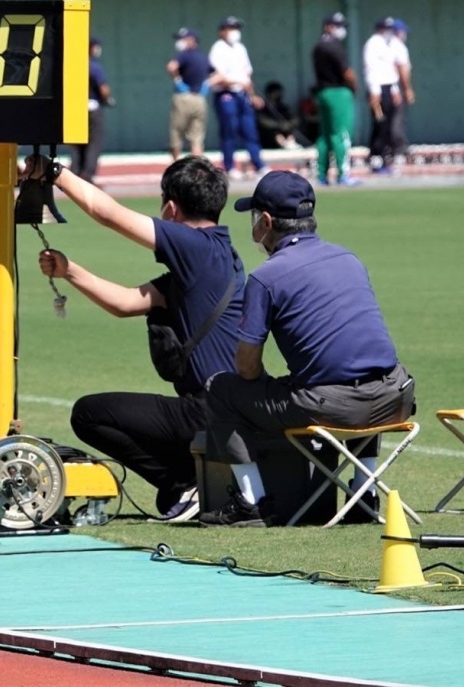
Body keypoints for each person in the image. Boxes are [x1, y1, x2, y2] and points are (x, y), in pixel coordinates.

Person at [33, 156, 244, 524]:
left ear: (171, 207)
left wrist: (53, 173)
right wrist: (70, 271)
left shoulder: (193, 246)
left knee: (89, 414)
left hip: (207, 408)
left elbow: (107, 212)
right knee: (103, 412)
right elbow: (128, 303)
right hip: (226, 405)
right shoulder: (219, 256)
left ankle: (183, 484)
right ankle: (189, 481)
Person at [201, 171, 415, 527]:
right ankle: (364, 493)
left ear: (266, 221)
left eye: (255, 218)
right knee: (363, 371)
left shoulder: (266, 278)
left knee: (220, 390)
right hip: (396, 398)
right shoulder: (348, 258)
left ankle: (252, 502)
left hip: (334, 407)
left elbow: (247, 367)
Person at [207, 16, 266, 181]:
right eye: (230, 28)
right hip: (226, 94)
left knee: (249, 130)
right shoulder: (218, 49)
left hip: (242, 94)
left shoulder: (240, 48)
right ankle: (230, 166)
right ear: (222, 31)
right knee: (229, 130)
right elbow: (219, 77)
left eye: (236, 28)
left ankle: (259, 164)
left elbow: (247, 74)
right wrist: (238, 81)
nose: (234, 32)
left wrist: (252, 95)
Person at [310, 12, 358, 185]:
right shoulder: (334, 47)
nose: (341, 30)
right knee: (341, 135)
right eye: (338, 26)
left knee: (324, 135)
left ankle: (321, 174)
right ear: (328, 27)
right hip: (338, 92)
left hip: (322, 92)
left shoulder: (318, 46)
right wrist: (354, 88)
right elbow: (348, 73)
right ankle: (342, 174)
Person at [362, 17, 411, 174]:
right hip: (378, 89)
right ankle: (376, 158)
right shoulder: (373, 44)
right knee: (379, 124)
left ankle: (385, 158)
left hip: (389, 89)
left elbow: (391, 70)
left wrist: (396, 89)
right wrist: (374, 92)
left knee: (389, 125)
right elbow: (371, 69)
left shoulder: (390, 44)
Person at [68, 36, 111, 183]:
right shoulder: (93, 66)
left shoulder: (72, 65)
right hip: (92, 106)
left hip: (74, 107)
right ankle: (87, 174)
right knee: (94, 142)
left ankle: (75, 171)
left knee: (75, 142)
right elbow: (103, 89)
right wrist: (107, 99)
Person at [166, 27, 212, 160]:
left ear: (192, 40)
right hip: (200, 98)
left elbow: (171, 66)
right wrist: (206, 85)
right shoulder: (203, 57)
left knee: (176, 132)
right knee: (197, 136)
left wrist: (177, 80)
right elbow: (217, 73)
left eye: (183, 39)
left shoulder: (184, 55)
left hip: (183, 97)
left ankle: (175, 164)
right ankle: (196, 167)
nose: (180, 42)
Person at [389, 18, 415, 163]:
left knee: (392, 120)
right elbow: (401, 70)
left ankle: (394, 147)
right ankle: (398, 148)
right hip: (396, 88)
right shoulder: (398, 47)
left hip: (391, 89)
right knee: (397, 120)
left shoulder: (387, 45)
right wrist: (407, 89)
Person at [255, 81, 302, 151]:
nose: (279, 95)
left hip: (284, 129)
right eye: (276, 93)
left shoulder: (282, 107)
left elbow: (295, 118)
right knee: (274, 132)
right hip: (268, 133)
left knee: (291, 130)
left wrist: (288, 124)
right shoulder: (263, 106)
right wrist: (279, 125)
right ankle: (283, 144)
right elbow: (262, 121)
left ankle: (290, 143)